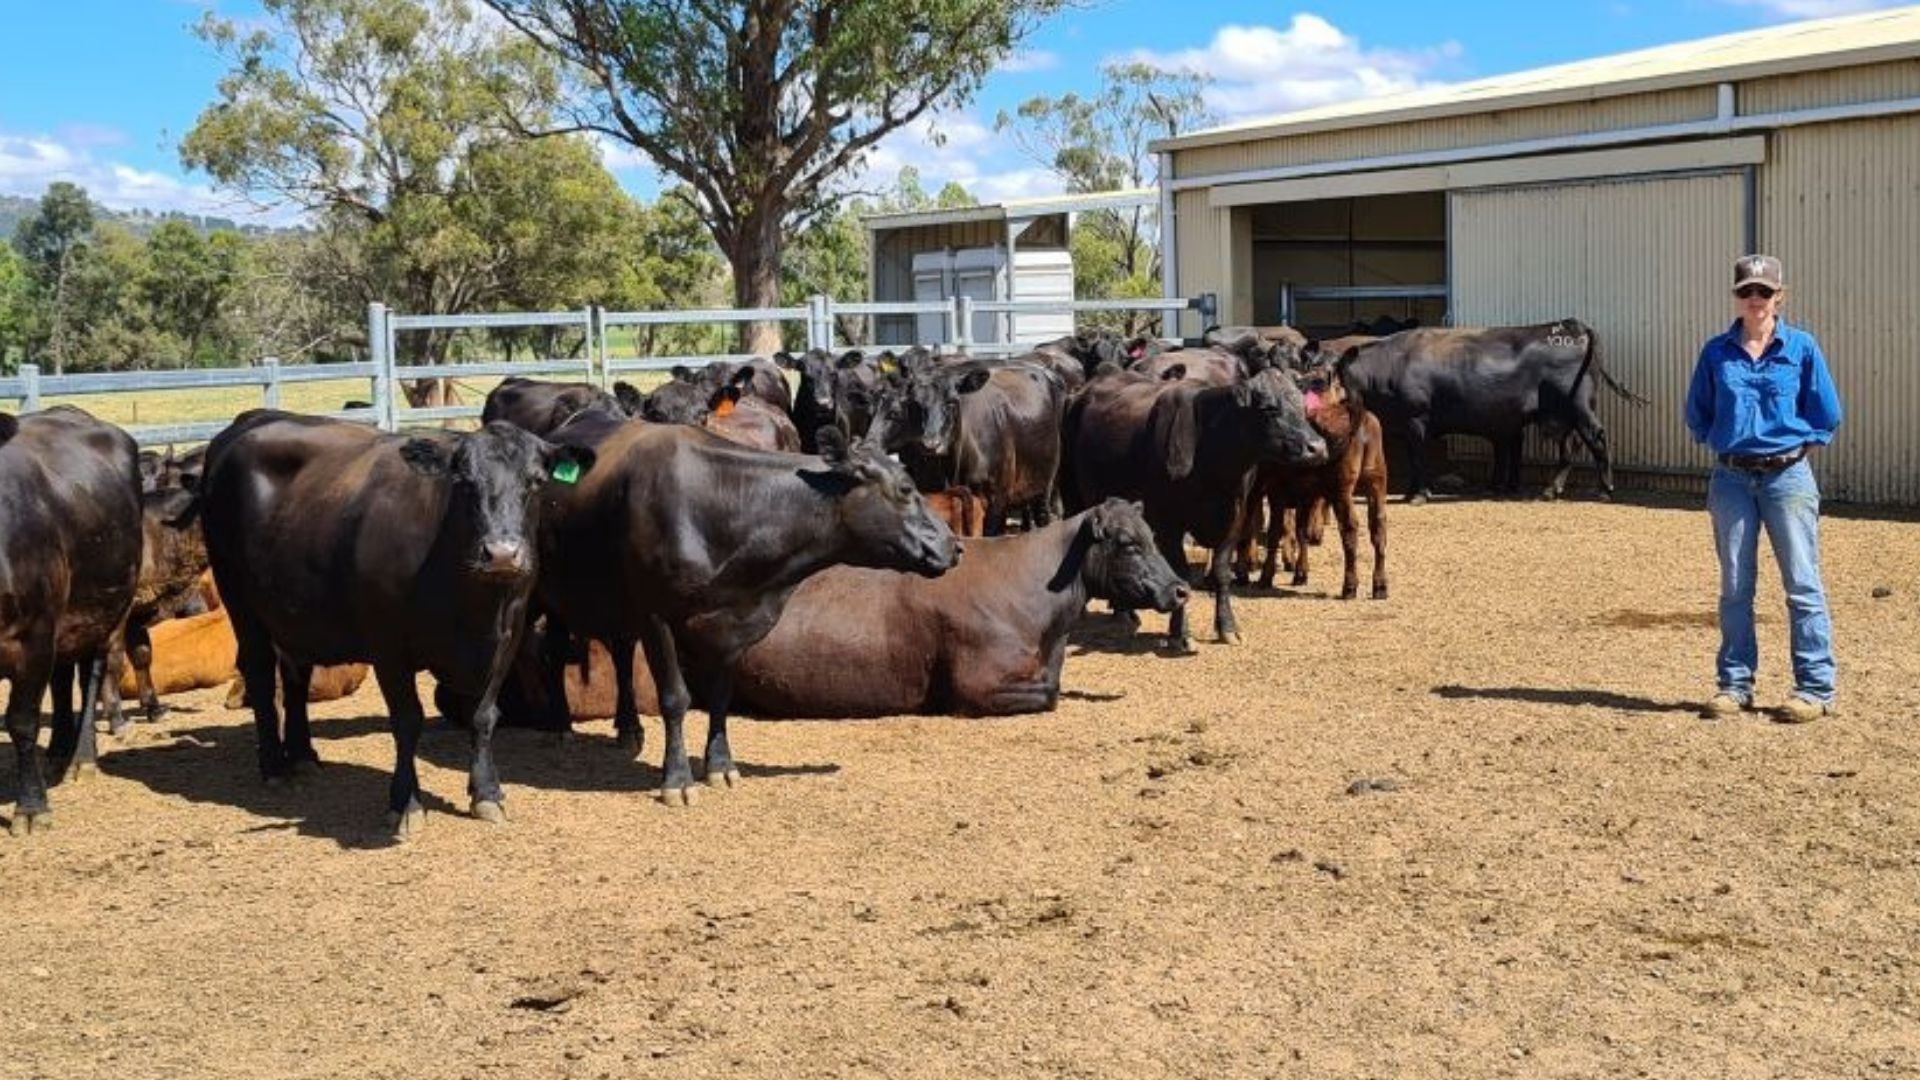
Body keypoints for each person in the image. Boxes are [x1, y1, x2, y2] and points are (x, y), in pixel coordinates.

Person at [1683, 254, 1843, 723]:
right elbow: (1698, 412)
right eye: (1746, 291)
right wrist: (1730, 445)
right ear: (1736, 296)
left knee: (1802, 584)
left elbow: (1826, 413)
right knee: (1735, 586)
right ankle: (1735, 685)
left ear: (1780, 296)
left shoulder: (1802, 348)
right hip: (1731, 480)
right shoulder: (1716, 353)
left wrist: (1790, 454)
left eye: (1764, 292)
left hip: (1787, 479)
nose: (1755, 300)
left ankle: (1814, 688)